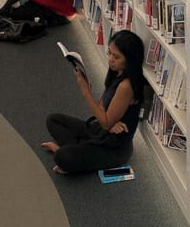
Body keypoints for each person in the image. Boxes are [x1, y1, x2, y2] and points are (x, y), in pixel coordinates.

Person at [42, 30, 145, 174]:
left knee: (62, 156)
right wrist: (110, 124)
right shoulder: (116, 73)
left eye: (116, 57)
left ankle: (68, 151)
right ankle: (78, 150)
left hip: (114, 147)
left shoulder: (126, 86)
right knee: (53, 120)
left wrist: (86, 92)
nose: (110, 59)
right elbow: (102, 107)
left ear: (130, 60)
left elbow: (105, 121)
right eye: (109, 53)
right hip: (102, 130)